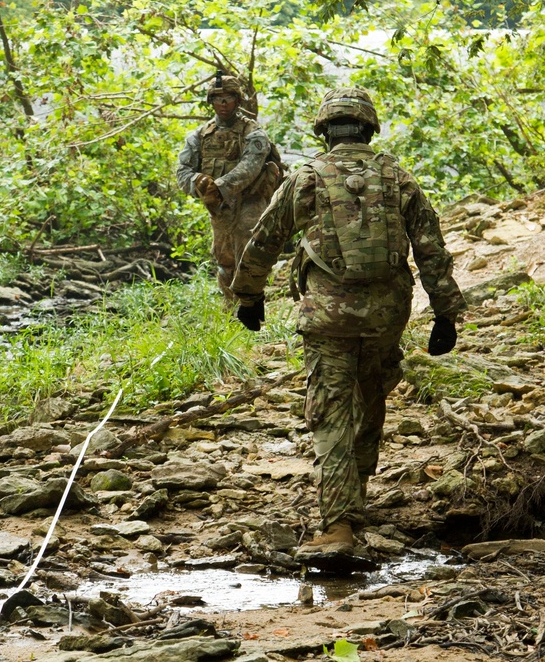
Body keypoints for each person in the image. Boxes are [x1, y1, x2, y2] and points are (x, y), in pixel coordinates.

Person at [230, 86, 467, 558]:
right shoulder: (398, 176)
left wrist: (248, 294)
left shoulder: (306, 178)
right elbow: (431, 249)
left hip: (328, 316)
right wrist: (446, 312)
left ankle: (339, 524)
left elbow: (266, 238)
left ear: (324, 131)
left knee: (331, 409)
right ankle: (355, 491)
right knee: (371, 392)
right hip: (387, 314)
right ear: (368, 127)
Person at [176, 72, 280, 302]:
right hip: (220, 205)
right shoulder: (200, 136)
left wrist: (218, 187)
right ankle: (230, 306)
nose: (223, 104)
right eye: (217, 98)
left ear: (238, 101)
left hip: (251, 200)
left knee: (249, 252)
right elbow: (182, 170)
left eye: (228, 98)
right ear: (210, 101)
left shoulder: (253, 133)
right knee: (224, 258)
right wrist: (198, 184)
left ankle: (250, 306)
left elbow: (250, 168)